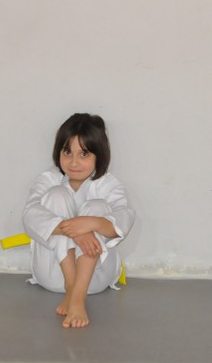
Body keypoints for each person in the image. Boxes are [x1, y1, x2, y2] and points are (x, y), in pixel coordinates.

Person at [23, 113, 135, 329]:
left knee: (98, 207)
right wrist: (75, 230)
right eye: (67, 152)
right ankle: (71, 286)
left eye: (84, 154)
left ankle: (76, 296)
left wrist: (93, 223)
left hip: (94, 279)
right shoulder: (49, 179)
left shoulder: (108, 184)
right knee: (56, 195)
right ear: (58, 151)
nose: (73, 162)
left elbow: (124, 217)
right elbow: (30, 215)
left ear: (99, 155)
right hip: (52, 274)